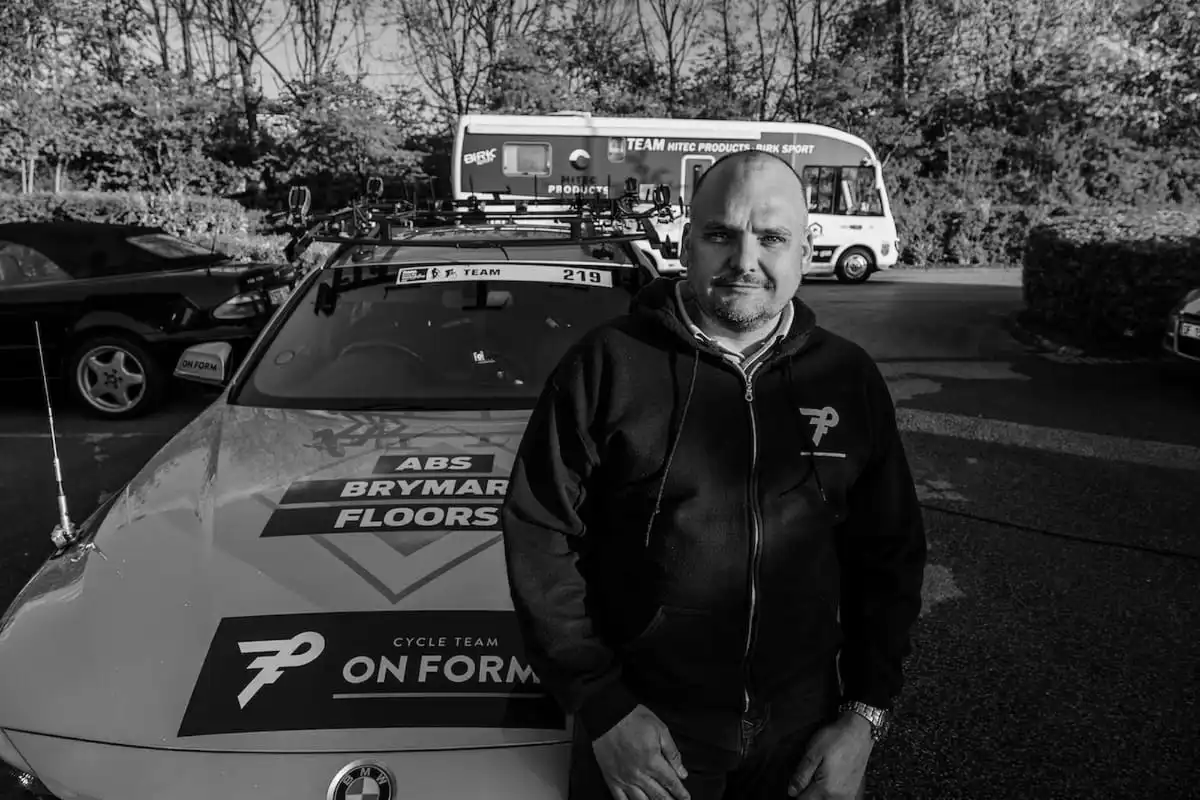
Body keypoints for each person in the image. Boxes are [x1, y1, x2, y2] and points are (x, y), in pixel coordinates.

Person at [501, 149, 927, 800]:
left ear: (805, 248)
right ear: (686, 243)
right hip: (646, 736)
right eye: (722, 234)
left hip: (802, 734)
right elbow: (539, 531)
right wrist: (600, 705)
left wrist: (865, 716)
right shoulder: (608, 365)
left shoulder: (848, 378)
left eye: (772, 237)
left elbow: (889, 555)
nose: (745, 261)